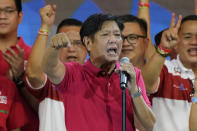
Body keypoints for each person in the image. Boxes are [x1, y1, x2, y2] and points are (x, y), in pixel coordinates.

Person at [25, 5, 155, 131]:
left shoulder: (131, 75)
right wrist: (54, 48)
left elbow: (148, 126)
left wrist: (133, 91)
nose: (113, 40)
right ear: (88, 42)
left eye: (117, 35)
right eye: (105, 35)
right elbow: (49, 67)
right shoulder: (74, 73)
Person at [0, 0, 40, 131]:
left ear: (20, 17)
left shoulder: (35, 56)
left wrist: (21, 77)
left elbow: (46, 107)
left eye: (9, 11)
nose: (2, 16)